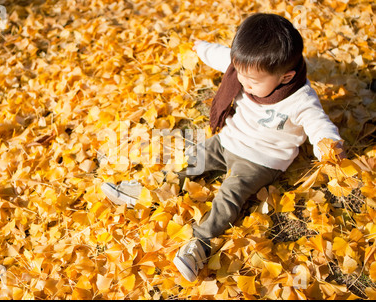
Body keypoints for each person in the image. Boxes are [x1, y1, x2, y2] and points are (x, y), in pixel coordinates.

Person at [101, 13, 344, 282]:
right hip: (228, 139)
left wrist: (328, 145)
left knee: (230, 195)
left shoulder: (300, 100)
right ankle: (150, 192)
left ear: (285, 77)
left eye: (252, 81)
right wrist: (196, 47)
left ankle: (200, 244)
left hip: (262, 158)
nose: (242, 83)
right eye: (239, 73)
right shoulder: (245, 68)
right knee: (193, 160)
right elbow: (217, 54)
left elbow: (318, 124)